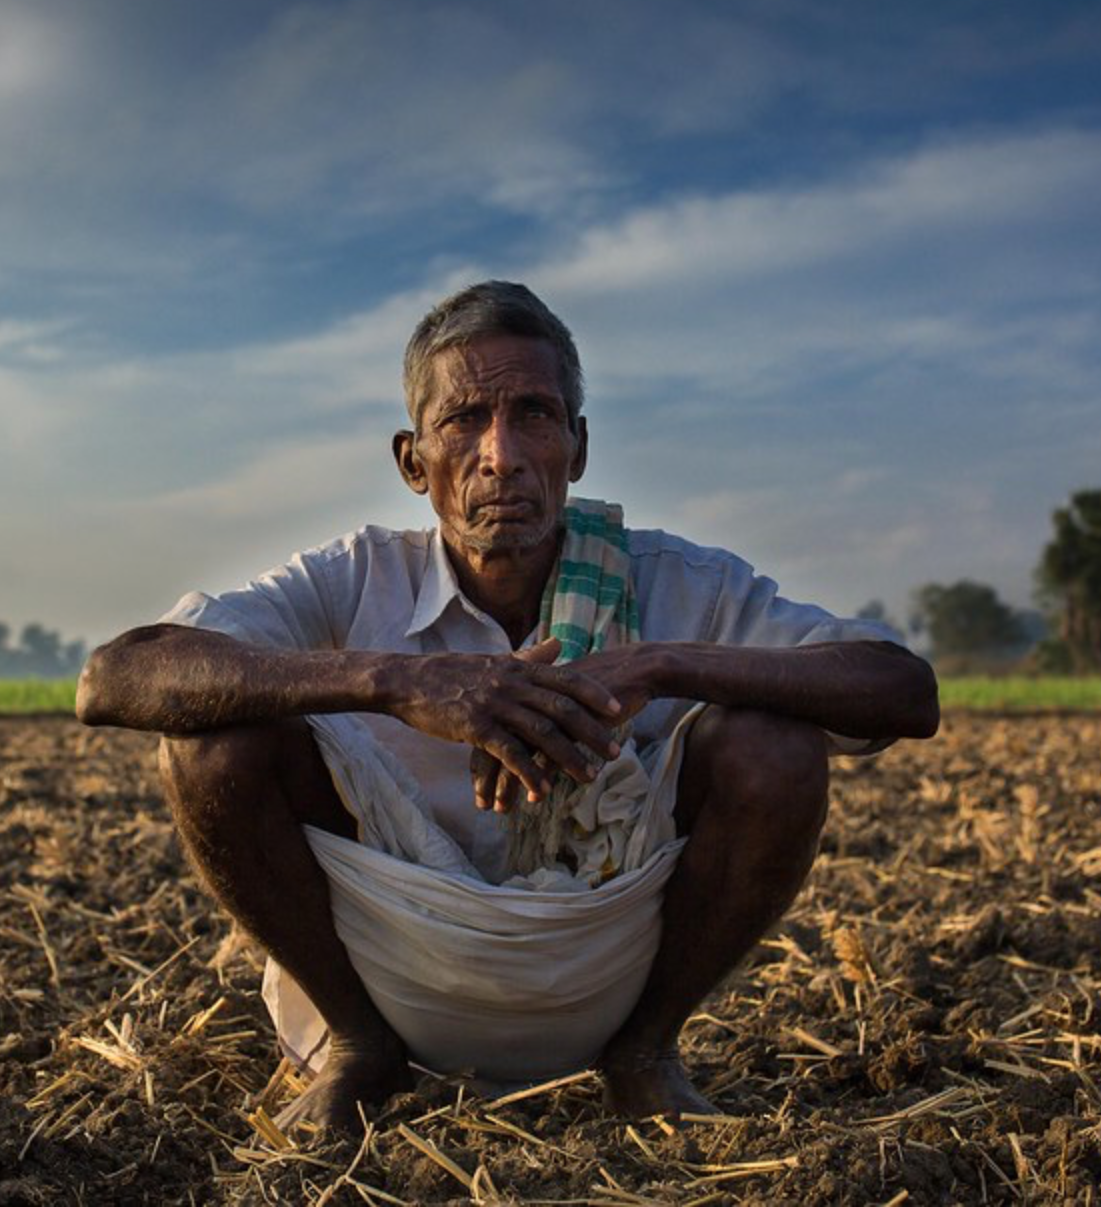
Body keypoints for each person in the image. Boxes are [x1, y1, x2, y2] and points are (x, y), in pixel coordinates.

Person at [77, 281, 937, 1133]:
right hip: (389, 963)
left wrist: (662, 663)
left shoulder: (673, 581)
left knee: (772, 745)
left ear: (578, 446)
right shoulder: (355, 577)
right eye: (463, 421)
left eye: (533, 414)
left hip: (608, 968)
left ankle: (645, 1055)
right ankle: (358, 1048)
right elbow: (118, 679)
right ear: (413, 462)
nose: (501, 454)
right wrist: (397, 683)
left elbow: (901, 688)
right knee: (210, 746)